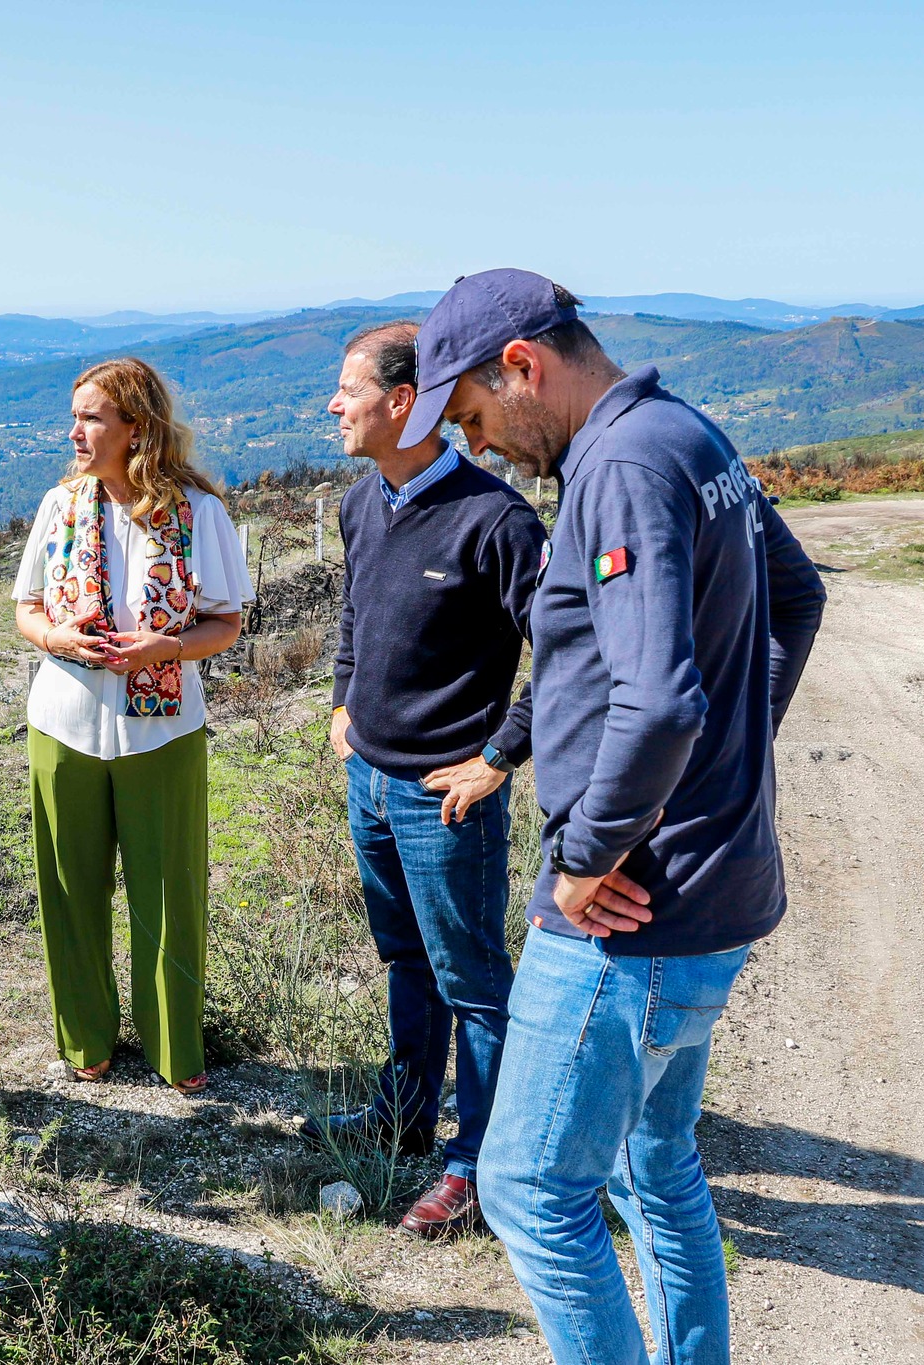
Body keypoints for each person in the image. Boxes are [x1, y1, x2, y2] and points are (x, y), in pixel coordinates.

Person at [402, 270, 826, 1365]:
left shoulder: (622, 464)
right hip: (708, 892)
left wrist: (588, 855)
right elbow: (793, 597)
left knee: (528, 1190)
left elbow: (658, 699)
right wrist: (726, 761)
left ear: (522, 367)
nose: (480, 445)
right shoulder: (681, 432)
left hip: (627, 919)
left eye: (474, 416)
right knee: (654, 1163)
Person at [302, 321, 545, 1238]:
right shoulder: (362, 504)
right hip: (370, 780)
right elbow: (355, 612)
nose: (334, 406)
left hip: (446, 798)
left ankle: (478, 1166)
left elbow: (566, 651)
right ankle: (408, 1116)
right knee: (406, 961)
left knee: (474, 980)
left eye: (347, 389)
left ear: (403, 403)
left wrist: (497, 758)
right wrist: (340, 704)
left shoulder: (498, 521)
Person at [12, 358, 252, 1095]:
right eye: (74, 415)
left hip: (164, 730)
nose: (75, 431)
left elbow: (227, 622)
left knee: (169, 891)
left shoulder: (199, 512)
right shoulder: (59, 507)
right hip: (64, 724)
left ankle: (176, 1050)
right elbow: (25, 609)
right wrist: (59, 640)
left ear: (135, 428)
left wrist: (167, 648)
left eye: (91, 417)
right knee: (68, 885)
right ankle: (86, 1038)